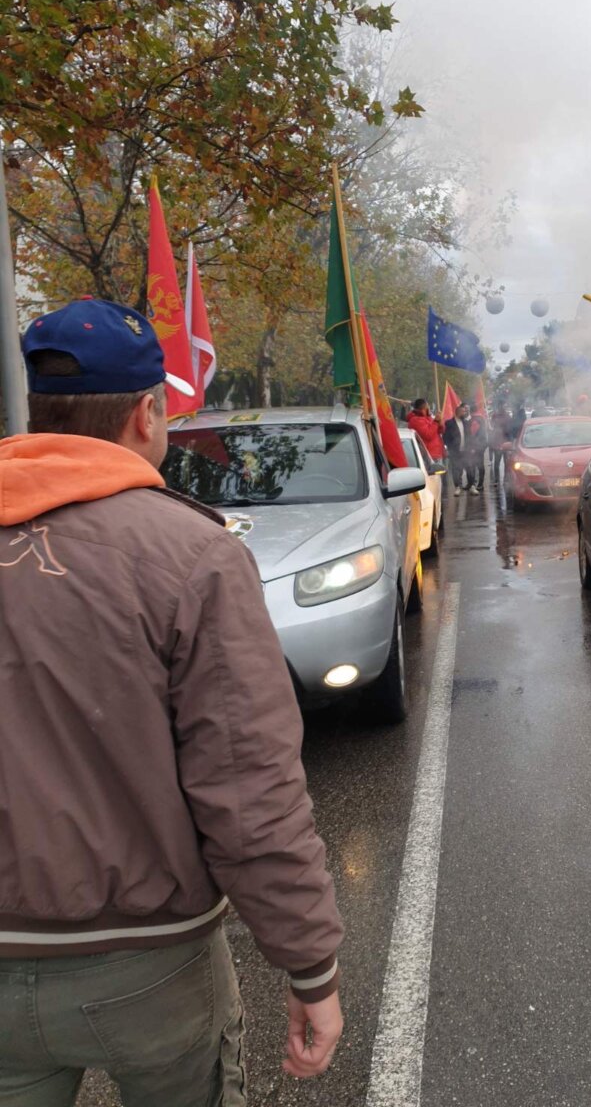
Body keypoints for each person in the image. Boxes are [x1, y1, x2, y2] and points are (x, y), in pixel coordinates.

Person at [0, 298, 343, 1104]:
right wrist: (309, 965)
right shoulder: (191, 554)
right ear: (148, 413)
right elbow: (249, 792)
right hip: (147, 966)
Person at [444, 402, 477, 495]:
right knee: (456, 469)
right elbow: (446, 437)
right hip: (455, 451)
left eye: (465, 411)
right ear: (458, 412)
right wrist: (449, 449)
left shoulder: (466, 423)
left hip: (466, 451)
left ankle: (471, 486)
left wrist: (472, 447)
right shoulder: (449, 423)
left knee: (470, 468)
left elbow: (470, 436)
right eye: (463, 411)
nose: (465, 413)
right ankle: (458, 487)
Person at [406, 396, 445, 462]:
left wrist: (440, 424)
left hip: (436, 453)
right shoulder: (415, 420)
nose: (429, 408)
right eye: (428, 406)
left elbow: (440, 431)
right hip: (428, 455)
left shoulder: (428, 417)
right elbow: (428, 435)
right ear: (423, 408)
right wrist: (435, 422)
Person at [489, 402, 513, 480]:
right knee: (497, 463)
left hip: (505, 443)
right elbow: (492, 427)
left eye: (503, 406)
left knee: (506, 463)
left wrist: (510, 441)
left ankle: (505, 479)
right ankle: (496, 479)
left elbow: (510, 429)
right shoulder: (495, 416)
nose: (502, 408)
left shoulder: (507, 416)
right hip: (497, 443)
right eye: (501, 406)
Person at [468, 404, 489, 491]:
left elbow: (473, 435)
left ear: (470, 411)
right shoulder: (482, 419)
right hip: (482, 445)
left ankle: (476, 484)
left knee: (475, 465)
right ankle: (479, 483)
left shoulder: (474, 420)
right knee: (480, 465)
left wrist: (473, 447)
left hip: (477, 446)